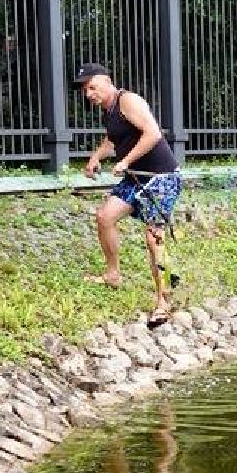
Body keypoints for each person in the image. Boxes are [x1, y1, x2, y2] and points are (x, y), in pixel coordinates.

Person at [73, 63, 182, 326]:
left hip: (161, 177)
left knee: (154, 237)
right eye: (85, 90)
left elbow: (152, 134)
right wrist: (95, 157)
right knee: (105, 217)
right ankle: (113, 275)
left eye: (92, 87)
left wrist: (125, 161)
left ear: (107, 81)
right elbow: (113, 139)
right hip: (136, 178)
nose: (88, 94)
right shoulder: (108, 109)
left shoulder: (128, 100)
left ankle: (163, 302)